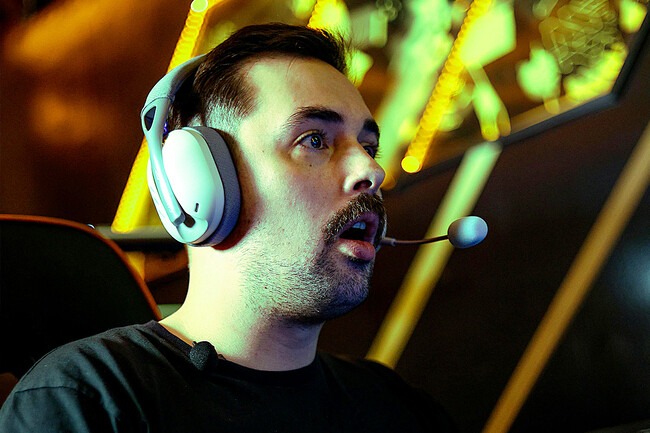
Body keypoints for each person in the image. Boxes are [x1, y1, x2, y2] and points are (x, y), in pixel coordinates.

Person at [0, 23, 455, 432]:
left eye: (369, 147)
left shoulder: (400, 409)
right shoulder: (88, 398)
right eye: (314, 140)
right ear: (201, 182)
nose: (371, 171)